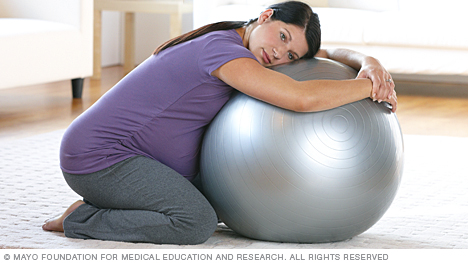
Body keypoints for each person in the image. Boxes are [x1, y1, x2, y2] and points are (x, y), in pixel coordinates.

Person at [42, 1, 397, 244]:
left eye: (291, 55)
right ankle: (82, 220)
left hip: (141, 158)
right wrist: (368, 88)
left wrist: (370, 62)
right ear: (266, 15)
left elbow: (327, 53)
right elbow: (300, 99)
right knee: (196, 222)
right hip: (99, 157)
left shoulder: (235, 42)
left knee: (227, 199)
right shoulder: (224, 52)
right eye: (283, 37)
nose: (279, 54)